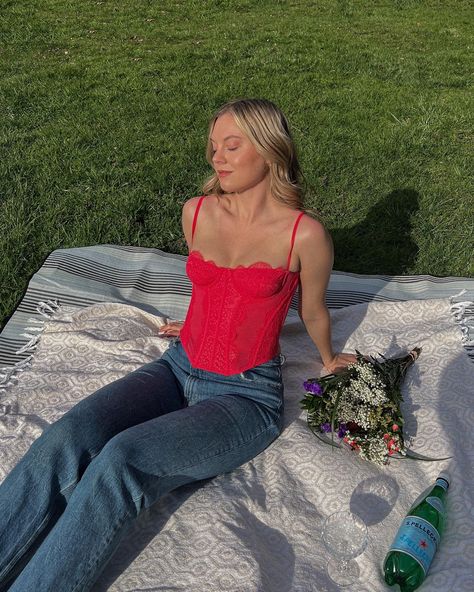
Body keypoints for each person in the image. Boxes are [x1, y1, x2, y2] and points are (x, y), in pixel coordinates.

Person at [0, 98, 356, 591]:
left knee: (121, 462)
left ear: (271, 150)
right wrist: (189, 325)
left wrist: (329, 358)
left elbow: (312, 309)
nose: (218, 157)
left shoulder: (306, 234)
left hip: (244, 397)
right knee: (68, 435)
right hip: (176, 367)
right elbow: (210, 288)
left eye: (233, 145)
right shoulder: (197, 213)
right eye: (213, 147)